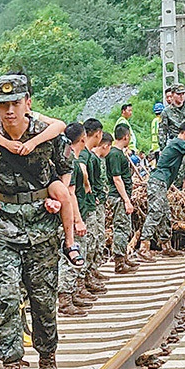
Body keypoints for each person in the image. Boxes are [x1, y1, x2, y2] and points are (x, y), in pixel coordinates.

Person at [0, 74, 74, 369]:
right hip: (3, 226)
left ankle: (47, 359)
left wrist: (61, 204)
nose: (9, 110)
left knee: (43, 298)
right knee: (6, 297)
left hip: (42, 226)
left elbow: (64, 174)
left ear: (28, 102)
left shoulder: (49, 137)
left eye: (15, 103)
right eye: (3, 104)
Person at [0, 107, 82, 269]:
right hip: (4, 175)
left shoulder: (35, 119)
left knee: (63, 194)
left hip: (41, 174)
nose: (11, 109)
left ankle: (70, 244)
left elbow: (60, 126)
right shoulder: (3, 119)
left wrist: (33, 142)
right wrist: (7, 144)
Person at [138, 122, 185, 260]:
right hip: (158, 182)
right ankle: (143, 246)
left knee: (165, 213)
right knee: (156, 212)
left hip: (162, 183)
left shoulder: (177, 144)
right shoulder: (179, 142)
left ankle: (166, 246)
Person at [58, 122, 96, 317]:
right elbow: (70, 194)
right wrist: (78, 221)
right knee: (70, 256)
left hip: (66, 214)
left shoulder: (67, 157)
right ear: (82, 139)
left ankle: (73, 293)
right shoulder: (69, 160)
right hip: (69, 216)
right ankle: (65, 299)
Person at [78, 119, 109, 294]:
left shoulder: (90, 154)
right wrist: (87, 185)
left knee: (94, 240)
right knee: (87, 242)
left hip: (90, 203)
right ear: (97, 134)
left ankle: (90, 273)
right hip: (86, 205)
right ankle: (82, 281)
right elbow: (82, 168)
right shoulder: (84, 154)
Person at [106, 123, 140, 274]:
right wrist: (126, 200)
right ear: (126, 137)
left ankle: (124, 257)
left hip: (122, 196)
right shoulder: (114, 154)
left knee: (125, 227)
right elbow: (117, 179)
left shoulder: (119, 153)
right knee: (121, 228)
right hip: (119, 197)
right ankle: (119, 262)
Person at [90, 132, 113, 271]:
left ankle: (95, 268)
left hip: (99, 201)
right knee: (95, 236)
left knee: (99, 236)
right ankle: (91, 270)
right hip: (95, 203)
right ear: (105, 146)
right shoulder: (92, 159)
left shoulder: (97, 159)